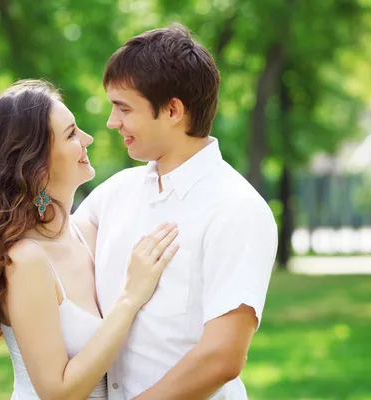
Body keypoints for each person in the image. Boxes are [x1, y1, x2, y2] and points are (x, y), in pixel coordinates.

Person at [74, 24, 278, 399]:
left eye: (123, 108)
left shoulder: (237, 208)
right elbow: (53, 243)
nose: (111, 122)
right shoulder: (116, 193)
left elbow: (223, 356)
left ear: (172, 110)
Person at [0, 79, 180, 400]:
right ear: (35, 164)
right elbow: (58, 393)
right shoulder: (25, 260)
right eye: (71, 134)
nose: (88, 138)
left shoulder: (89, 234)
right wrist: (130, 298)